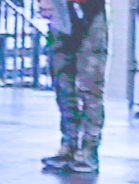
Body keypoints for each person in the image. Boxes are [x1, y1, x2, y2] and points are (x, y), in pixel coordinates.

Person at [41, 0, 108, 175]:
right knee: (62, 82)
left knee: (90, 85)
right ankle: (69, 143)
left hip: (90, 12)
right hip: (60, 12)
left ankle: (89, 148)